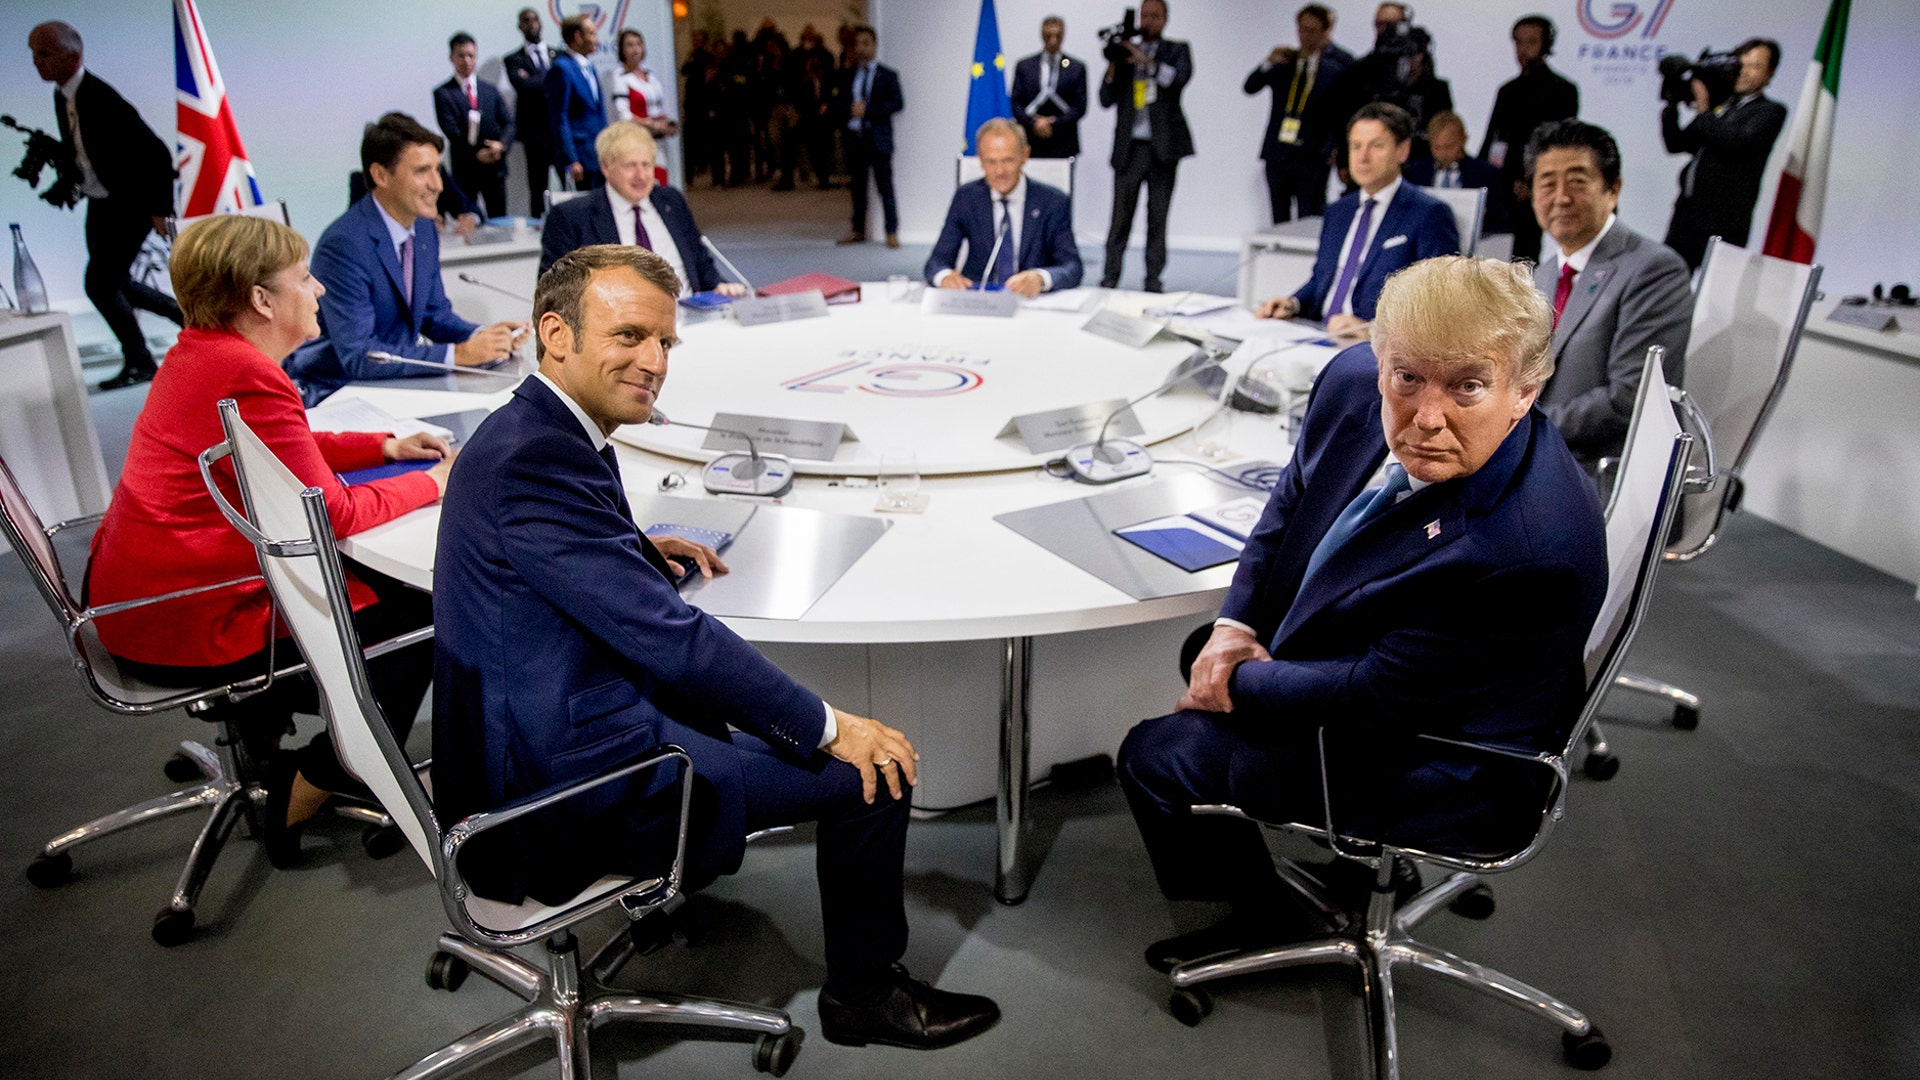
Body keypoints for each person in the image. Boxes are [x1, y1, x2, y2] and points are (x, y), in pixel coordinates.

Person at [431, 243, 1001, 1050]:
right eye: (629, 336)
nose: (655, 361)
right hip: (554, 791)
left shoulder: (532, 429)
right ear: (555, 335)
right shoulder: (536, 459)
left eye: (665, 343)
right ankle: (863, 999)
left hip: (524, 733)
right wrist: (832, 725)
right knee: (872, 773)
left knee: (748, 718)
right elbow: (675, 641)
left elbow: (552, 562)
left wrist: (628, 550)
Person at [1116, 254, 1607, 971]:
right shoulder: (1354, 381)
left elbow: (1374, 696)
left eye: (1467, 387)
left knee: (1154, 755)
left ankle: (1261, 916)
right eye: (1406, 378)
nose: (1428, 418)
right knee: (1203, 643)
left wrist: (1230, 682)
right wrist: (1235, 629)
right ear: (1382, 359)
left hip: (1445, 755)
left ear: (1524, 390)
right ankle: (1350, 854)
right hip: (1404, 672)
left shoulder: (1529, 549)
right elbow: (1294, 495)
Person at [85, 215, 452, 867]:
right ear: (261, 299)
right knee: (420, 615)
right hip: (191, 620)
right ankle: (320, 775)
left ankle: (281, 740)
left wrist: (384, 446)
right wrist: (434, 481)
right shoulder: (245, 372)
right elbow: (331, 514)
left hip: (134, 602)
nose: (317, 291)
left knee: (381, 595)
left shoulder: (202, 352)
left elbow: (286, 446)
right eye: (304, 278)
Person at [285, 113, 528, 400]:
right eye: (422, 171)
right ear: (381, 175)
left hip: (399, 387)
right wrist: (460, 354)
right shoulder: (343, 244)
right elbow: (361, 355)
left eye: (437, 170)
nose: (437, 185)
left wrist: (487, 336)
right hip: (340, 392)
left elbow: (435, 316)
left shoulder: (423, 228)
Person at [1528, 120, 1692, 469]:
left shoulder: (1654, 269)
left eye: (1577, 181)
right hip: (1536, 461)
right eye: (1547, 183)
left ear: (1613, 190)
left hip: (1599, 473)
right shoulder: (1540, 276)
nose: (1561, 198)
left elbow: (1628, 398)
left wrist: (1519, 428)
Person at [28, 22, 182, 390]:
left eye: (44, 54)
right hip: (101, 201)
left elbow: (157, 153)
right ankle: (182, 320)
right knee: (114, 281)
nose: (37, 62)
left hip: (130, 203)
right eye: (34, 54)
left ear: (73, 56)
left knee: (99, 283)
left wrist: (160, 209)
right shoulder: (63, 95)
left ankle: (142, 359)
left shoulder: (99, 97)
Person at [1258, 103, 1460, 334]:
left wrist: (1372, 330)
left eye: (1376, 146)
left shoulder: (1428, 214)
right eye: (1356, 146)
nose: (1363, 157)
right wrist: (1293, 303)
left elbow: (1436, 307)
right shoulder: (1338, 212)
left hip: (1373, 347)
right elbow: (1323, 280)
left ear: (1402, 150)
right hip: (1318, 333)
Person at [537, 122, 744, 300]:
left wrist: (718, 285)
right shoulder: (571, 217)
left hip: (688, 315)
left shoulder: (671, 201)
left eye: (647, 165)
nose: (641, 175)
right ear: (606, 167)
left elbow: (701, 263)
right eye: (630, 166)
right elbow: (553, 293)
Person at [1661, 37, 1788, 270]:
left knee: (1714, 296)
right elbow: (1677, 143)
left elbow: (1738, 141)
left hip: (1724, 223)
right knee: (1667, 283)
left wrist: (1703, 107)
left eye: (1755, 66)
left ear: (1769, 75)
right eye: (1741, 64)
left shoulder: (1770, 111)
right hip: (1687, 215)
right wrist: (1671, 104)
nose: (1744, 72)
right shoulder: (1723, 107)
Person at [1097, 0, 1194, 292]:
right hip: (1129, 148)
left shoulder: (1177, 50)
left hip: (1162, 148)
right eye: (1145, 15)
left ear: (1165, 19)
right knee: (1119, 220)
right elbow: (1105, 98)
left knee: (1157, 218)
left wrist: (1142, 58)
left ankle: (1153, 280)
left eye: (1154, 16)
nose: (1148, 20)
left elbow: (1177, 79)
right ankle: (1110, 277)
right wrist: (1115, 61)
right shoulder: (1124, 54)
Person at [924, 118, 1081, 296]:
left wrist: (1040, 279)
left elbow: (1072, 267)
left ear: (1025, 156)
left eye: (1008, 160)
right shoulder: (966, 198)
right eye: (991, 162)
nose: (1000, 171)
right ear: (980, 161)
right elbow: (936, 261)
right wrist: (945, 276)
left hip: (1031, 305)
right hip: (979, 304)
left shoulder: (1052, 201)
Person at [1481, 15, 1579, 263]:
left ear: (1546, 45)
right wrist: (1481, 178)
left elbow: (1558, 145)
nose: (1523, 50)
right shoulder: (1507, 90)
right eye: (1519, 42)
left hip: (1532, 190)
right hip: (1499, 188)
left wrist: (1533, 181)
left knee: (1523, 260)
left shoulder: (1562, 90)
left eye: (1531, 42)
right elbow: (1491, 139)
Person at [1244, 4, 1353, 223]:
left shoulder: (1334, 69)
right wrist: (1267, 63)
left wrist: (1332, 148)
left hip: (1312, 156)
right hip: (1279, 152)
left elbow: (1340, 114)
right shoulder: (1285, 62)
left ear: (1325, 32)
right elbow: (1250, 87)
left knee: (1310, 216)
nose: (1305, 36)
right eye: (1302, 29)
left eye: (1312, 30)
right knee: (1279, 216)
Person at [832, 25, 903, 247]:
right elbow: (837, 102)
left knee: (885, 187)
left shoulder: (887, 75)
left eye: (866, 43)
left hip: (878, 138)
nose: (862, 49)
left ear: (874, 45)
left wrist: (869, 110)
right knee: (857, 189)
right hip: (855, 138)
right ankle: (858, 230)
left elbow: (897, 103)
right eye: (858, 44)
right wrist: (850, 110)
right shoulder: (846, 75)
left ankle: (891, 231)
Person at [434, 33, 514, 221]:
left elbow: (509, 124)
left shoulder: (490, 90)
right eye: (461, 55)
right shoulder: (443, 94)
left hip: (495, 168)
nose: (467, 60)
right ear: (452, 57)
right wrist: (476, 153)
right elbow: (451, 130)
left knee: (499, 220)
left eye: (471, 55)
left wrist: (501, 146)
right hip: (466, 170)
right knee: (469, 221)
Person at [1404, 111, 1503, 231]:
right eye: (1437, 147)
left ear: (1464, 139)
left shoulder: (1485, 173)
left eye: (1449, 147)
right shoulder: (1416, 172)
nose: (1443, 154)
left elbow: (1500, 217)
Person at [1010, 17, 1089, 160]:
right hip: (1030, 141)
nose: (1053, 40)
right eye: (1048, 36)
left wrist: (1053, 122)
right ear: (1042, 35)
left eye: (1057, 36)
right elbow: (1016, 103)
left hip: (1063, 141)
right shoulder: (1025, 66)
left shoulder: (1075, 68)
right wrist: (1035, 123)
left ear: (1063, 35)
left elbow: (1080, 106)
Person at [503, 8, 558, 215]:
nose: (531, 24)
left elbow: (542, 85)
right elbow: (523, 86)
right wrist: (552, 80)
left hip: (559, 130)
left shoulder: (558, 55)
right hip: (534, 134)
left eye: (534, 20)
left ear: (541, 23)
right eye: (525, 21)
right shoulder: (512, 60)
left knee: (568, 183)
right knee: (538, 187)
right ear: (520, 26)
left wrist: (535, 81)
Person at [547, 15, 607, 190]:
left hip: (598, 155)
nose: (597, 39)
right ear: (578, 37)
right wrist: (571, 159)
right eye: (592, 34)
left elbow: (598, 113)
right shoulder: (562, 68)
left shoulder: (590, 68)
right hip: (580, 158)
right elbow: (559, 117)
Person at [609, 30, 679, 148]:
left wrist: (666, 124)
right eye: (630, 45)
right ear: (621, 50)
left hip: (659, 141)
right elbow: (623, 115)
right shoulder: (620, 78)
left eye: (639, 44)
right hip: (636, 142)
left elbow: (659, 108)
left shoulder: (651, 76)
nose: (636, 50)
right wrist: (651, 124)